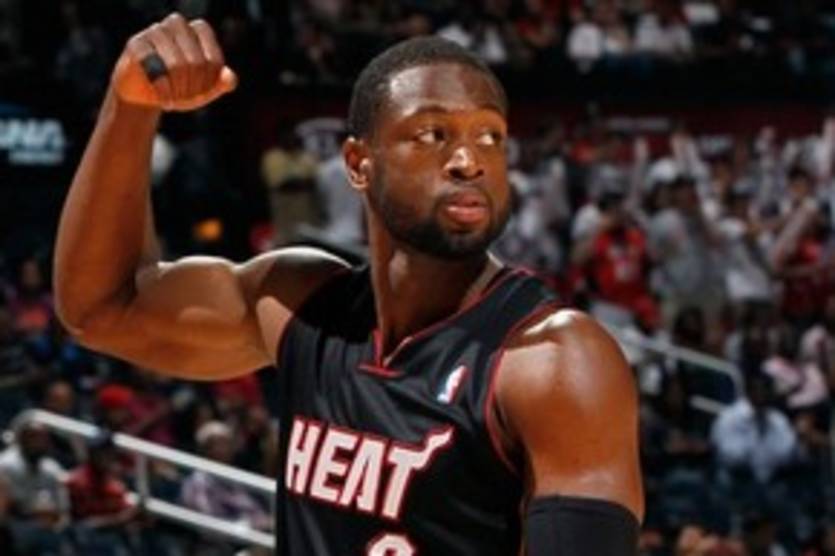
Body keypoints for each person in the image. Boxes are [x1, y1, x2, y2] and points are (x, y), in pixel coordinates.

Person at [54, 12, 643, 555]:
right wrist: (129, 109)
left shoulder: (555, 361)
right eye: (432, 134)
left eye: (490, 135)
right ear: (360, 164)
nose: (469, 160)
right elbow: (102, 307)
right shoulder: (302, 306)